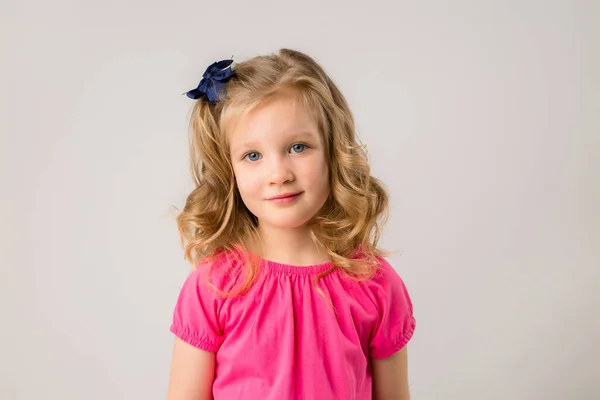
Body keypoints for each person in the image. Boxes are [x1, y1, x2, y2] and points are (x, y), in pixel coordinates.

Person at [167, 48, 416, 400]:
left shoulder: (374, 283)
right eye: (252, 155)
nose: (279, 174)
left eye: (298, 147)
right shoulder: (214, 286)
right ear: (230, 170)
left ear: (333, 151)